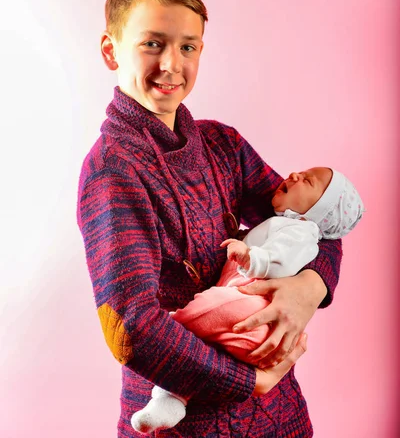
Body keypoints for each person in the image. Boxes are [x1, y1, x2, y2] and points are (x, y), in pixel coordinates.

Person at [77, 0, 344, 437]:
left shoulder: (222, 142)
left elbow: (316, 219)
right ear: (110, 50)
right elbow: (130, 327)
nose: (171, 65)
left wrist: (310, 289)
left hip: (281, 413)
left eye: (188, 46)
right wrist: (248, 379)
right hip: (186, 421)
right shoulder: (111, 171)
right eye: (152, 43)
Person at [131, 167, 364, 433]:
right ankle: (169, 397)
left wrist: (260, 262)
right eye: (301, 172)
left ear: (318, 213)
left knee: (211, 307)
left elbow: (285, 257)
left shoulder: (302, 230)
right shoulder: (285, 222)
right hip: (245, 321)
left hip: (252, 301)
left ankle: (175, 326)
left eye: (308, 180)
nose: (295, 174)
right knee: (211, 315)